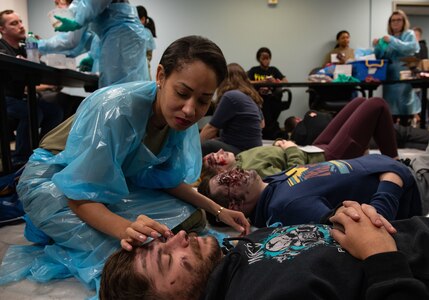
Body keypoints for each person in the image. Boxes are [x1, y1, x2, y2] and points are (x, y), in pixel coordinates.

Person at [2, 36, 250, 291]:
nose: (190, 110)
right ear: (161, 76)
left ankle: (58, 229)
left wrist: (217, 210)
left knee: (191, 218)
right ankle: (46, 219)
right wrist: (125, 229)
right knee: (130, 254)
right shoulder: (117, 110)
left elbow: (165, 180)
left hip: (105, 181)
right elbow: (79, 195)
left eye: (203, 100)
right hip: (54, 179)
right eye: (183, 93)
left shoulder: (177, 117)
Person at [99, 201, 429, 300]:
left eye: (165, 239)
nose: (181, 236)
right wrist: (382, 258)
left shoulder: (237, 254)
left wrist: (343, 220)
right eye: (168, 258)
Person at [199, 154, 424, 228]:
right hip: (414, 184)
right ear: (234, 207)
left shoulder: (272, 184)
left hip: (400, 164)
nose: (235, 171)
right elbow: (365, 228)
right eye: (227, 180)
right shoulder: (284, 207)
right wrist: (392, 179)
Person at [202, 97, 399, 179]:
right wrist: (289, 149)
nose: (218, 151)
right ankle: (396, 164)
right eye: (214, 159)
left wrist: (280, 145)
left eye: (215, 152)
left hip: (312, 149)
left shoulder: (242, 157)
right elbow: (293, 177)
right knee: (376, 104)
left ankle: (362, 151)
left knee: (359, 101)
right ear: (221, 174)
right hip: (325, 160)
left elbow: (273, 154)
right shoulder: (249, 174)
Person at [0, 9, 63, 165]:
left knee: (55, 111)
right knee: (32, 112)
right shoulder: (1, 48)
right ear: (2, 30)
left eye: (20, 21)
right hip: (4, 99)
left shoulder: (25, 48)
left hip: (19, 98)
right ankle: (20, 160)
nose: (21, 26)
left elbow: (36, 71)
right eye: (14, 23)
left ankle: (45, 152)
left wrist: (37, 54)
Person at [53, 0, 152, 87]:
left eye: (58, 2)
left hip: (122, 38)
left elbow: (71, 42)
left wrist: (78, 21)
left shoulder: (116, 28)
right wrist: (92, 56)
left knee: (119, 90)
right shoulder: (110, 23)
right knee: (121, 89)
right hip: (123, 36)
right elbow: (99, 36)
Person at [200, 63, 264, 156]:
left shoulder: (230, 96)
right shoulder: (250, 98)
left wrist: (193, 146)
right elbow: (262, 124)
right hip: (254, 149)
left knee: (207, 145)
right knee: (214, 141)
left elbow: (211, 128)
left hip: (242, 151)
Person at [373, 10, 421, 126]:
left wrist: (392, 41)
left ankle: (406, 136)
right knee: (390, 111)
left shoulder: (409, 34)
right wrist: (377, 46)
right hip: (390, 78)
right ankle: (393, 138)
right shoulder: (387, 38)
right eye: (393, 20)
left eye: (399, 20)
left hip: (404, 76)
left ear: (404, 22)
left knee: (405, 108)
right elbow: (380, 56)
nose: (395, 23)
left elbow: (411, 48)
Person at [247, 47, 288, 140]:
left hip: (272, 97)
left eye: (268, 58)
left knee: (270, 104)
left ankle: (269, 131)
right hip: (257, 97)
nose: (266, 61)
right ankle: (267, 131)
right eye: (263, 58)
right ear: (259, 59)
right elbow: (247, 82)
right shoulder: (254, 70)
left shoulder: (273, 70)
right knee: (263, 104)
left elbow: (285, 81)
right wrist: (262, 81)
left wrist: (275, 81)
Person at [136, 5, 156, 79]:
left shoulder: (146, 33)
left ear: (143, 19)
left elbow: (149, 56)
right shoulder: (134, 32)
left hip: (143, 70)